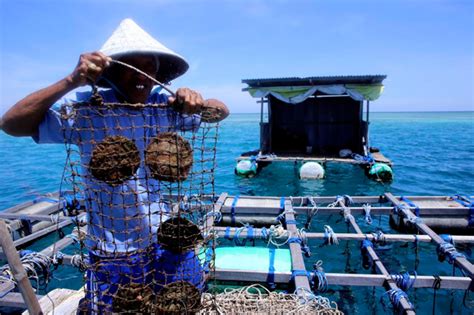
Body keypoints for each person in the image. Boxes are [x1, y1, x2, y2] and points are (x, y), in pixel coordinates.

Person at [1, 18, 229, 313]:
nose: (142, 74)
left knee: (181, 301)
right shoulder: (89, 111)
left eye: (150, 66)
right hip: (112, 249)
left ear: (159, 73)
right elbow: (11, 124)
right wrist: (71, 80)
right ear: (110, 73)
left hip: (165, 238)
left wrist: (196, 98)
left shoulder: (165, 106)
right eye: (130, 67)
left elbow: (220, 111)